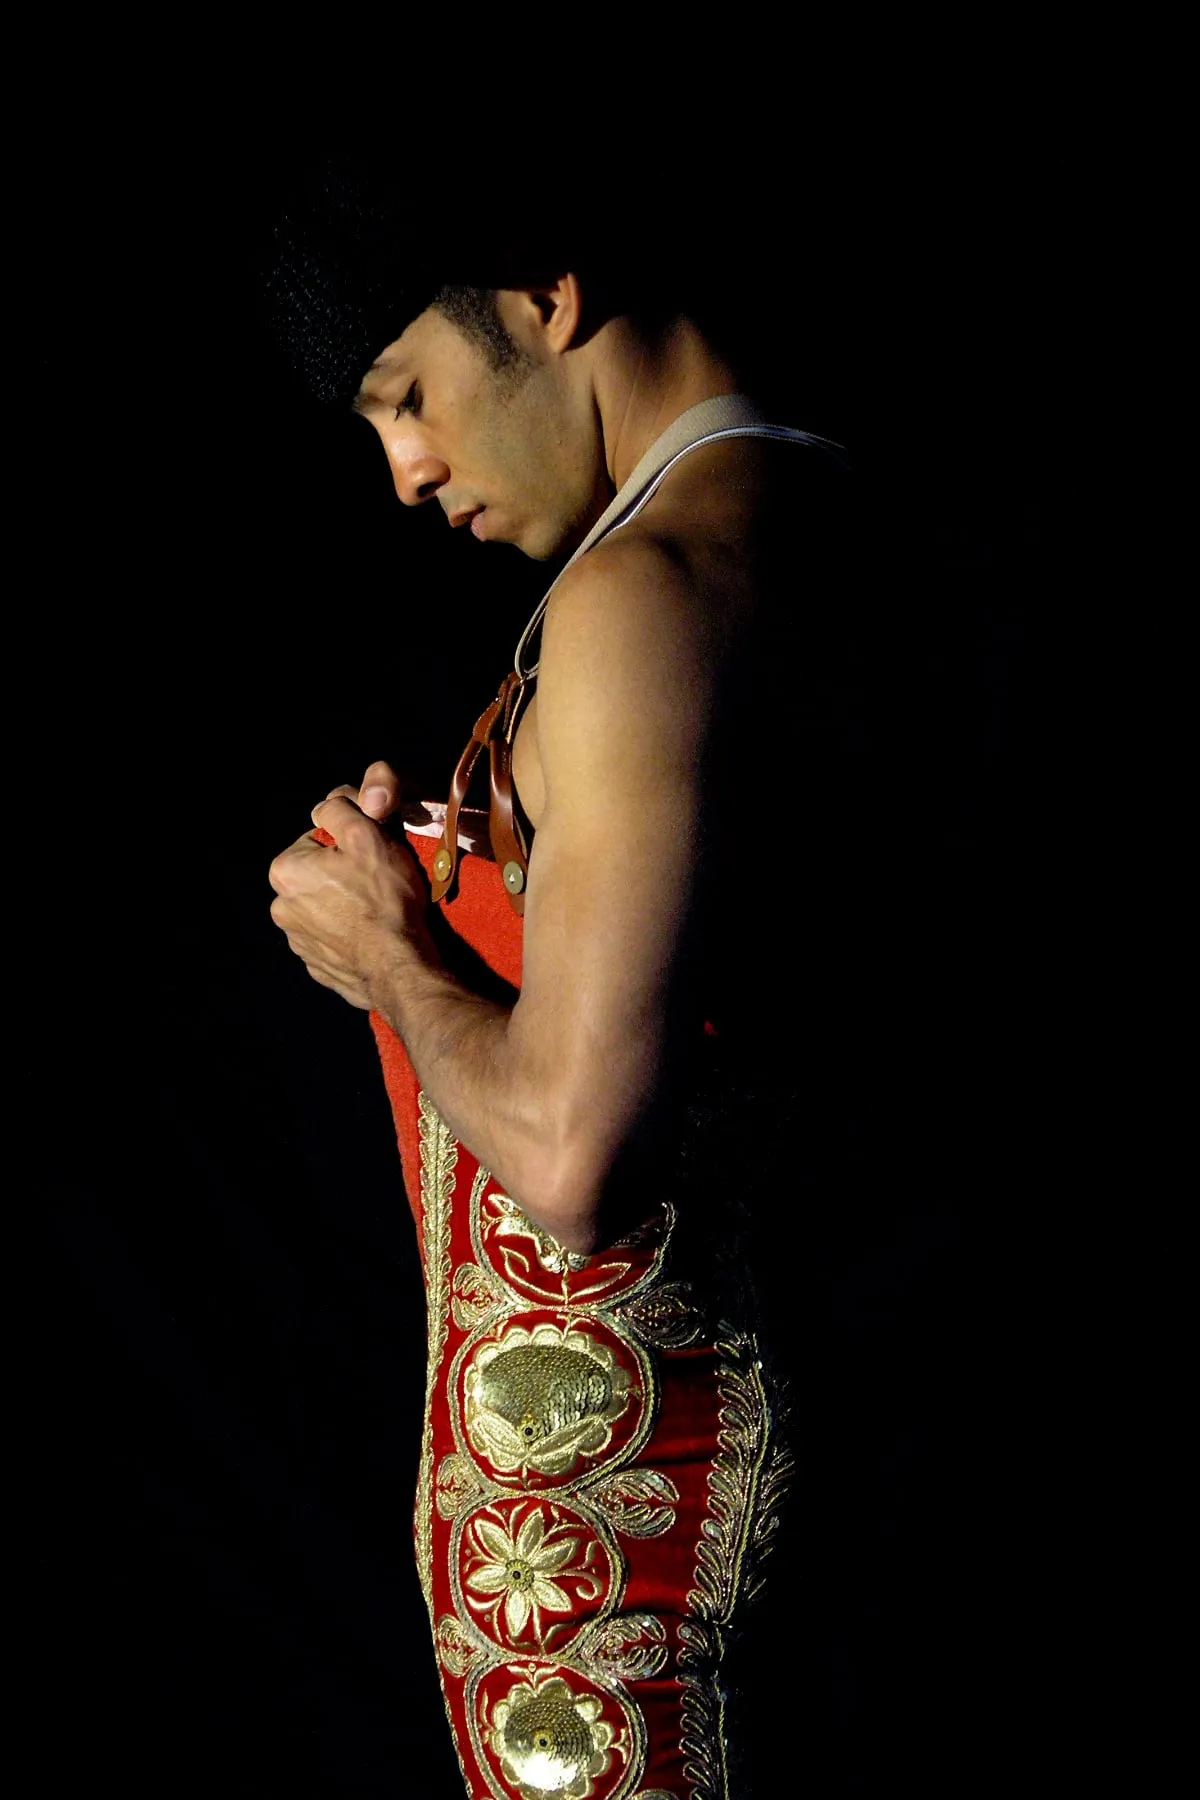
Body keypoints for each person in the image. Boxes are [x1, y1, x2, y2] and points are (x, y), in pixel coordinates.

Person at [264, 161, 882, 1799]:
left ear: (542, 295)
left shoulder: (643, 597)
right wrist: (446, 921)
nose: (403, 472)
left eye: (412, 396)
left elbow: (570, 1160)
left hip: (638, 1589)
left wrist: (394, 961)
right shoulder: (824, 527)